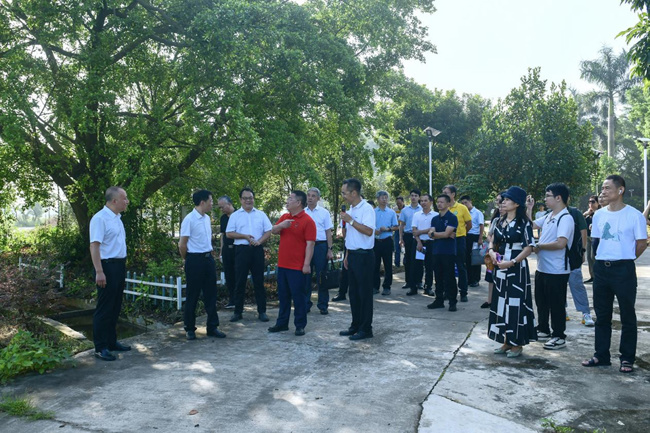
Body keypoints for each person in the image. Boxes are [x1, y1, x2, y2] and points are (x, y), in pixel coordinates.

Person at [582, 175, 648, 373]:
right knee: (602, 315)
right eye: (602, 188)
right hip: (602, 269)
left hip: (623, 270)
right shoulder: (599, 215)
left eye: (607, 188)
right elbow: (597, 241)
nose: (603, 191)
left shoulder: (634, 215)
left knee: (627, 315)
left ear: (620, 190)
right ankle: (601, 355)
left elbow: (642, 243)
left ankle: (627, 358)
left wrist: (626, 258)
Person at [487, 186, 536, 358]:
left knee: (516, 304)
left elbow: (529, 247)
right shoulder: (499, 221)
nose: (503, 202)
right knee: (501, 302)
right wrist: (491, 252)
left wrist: (513, 262)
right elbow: (492, 240)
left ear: (516, 204)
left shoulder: (524, 223)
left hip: (516, 268)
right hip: (500, 266)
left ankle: (518, 343)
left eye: (507, 199)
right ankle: (506, 340)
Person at [528, 183, 574, 350]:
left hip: (557, 270)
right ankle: (543, 329)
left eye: (548, 196)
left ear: (558, 198)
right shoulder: (549, 216)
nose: (545, 199)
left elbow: (561, 243)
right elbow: (530, 225)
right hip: (543, 268)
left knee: (556, 304)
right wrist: (529, 208)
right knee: (541, 301)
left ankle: (559, 336)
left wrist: (539, 246)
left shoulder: (565, 218)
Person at [89, 186, 131, 361]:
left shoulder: (117, 218)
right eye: (124, 198)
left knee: (115, 306)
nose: (127, 201)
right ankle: (100, 347)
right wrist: (99, 271)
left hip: (119, 265)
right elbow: (94, 246)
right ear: (114, 201)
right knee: (105, 308)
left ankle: (112, 342)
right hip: (106, 266)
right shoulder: (100, 219)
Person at [179, 190, 226, 341]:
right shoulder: (189, 219)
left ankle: (212, 327)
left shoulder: (206, 218)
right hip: (194, 259)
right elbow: (182, 244)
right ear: (202, 202)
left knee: (211, 294)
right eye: (210, 201)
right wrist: (187, 259)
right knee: (192, 295)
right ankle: (189, 328)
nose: (212, 204)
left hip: (208, 259)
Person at [268, 191, 316, 336]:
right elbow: (273, 231)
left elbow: (310, 244)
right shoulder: (285, 217)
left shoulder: (308, 221)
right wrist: (282, 225)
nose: (287, 201)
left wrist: (306, 264)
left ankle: (300, 325)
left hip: (297, 266)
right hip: (283, 265)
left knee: (299, 297)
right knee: (283, 296)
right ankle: (282, 323)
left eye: (290, 198)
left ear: (299, 203)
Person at [226, 188, 272, 323]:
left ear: (253, 199)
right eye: (245, 198)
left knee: (259, 281)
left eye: (250, 198)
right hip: (241, 250)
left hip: (257, 250)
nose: (248, 200)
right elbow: (229, 233)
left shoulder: (261, 214)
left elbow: (268, 231)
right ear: (240, 200)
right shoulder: (235, 215)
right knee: (239, 281)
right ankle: (238, 312)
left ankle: (262, 311)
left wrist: (259, 241)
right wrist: (245, 236)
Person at [339, 178, 376, 341]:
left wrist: (351, 221)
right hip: (353, 255)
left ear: (354, 193)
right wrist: (347, 255)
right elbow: (351, 235)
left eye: (344, 193)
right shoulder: (351, 209)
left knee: (364, 294)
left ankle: (366, 329)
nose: (343, 196)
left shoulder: (367, 209)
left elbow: (368, 231)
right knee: (353, 293)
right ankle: (355, 325)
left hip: (364, 256)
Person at [304, 187, 334, 314]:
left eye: (313, 196)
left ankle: (323, 305)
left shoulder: (324, 212)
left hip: (320, 246)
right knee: (305, 276)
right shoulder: (302, 212)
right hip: (306, 246)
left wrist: (329, 249)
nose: (310, 198)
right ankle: (306, 304)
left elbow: (328, 232)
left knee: (322, 277)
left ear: (318, 198)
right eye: (308, 195)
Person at [565, 203, 595, 327]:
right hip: (556, 257)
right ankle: (562, 310)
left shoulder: (575, 213)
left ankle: (585, 313)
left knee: (576, 284)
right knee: (558, 285)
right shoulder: (550, 214)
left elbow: (583, 231)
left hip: (573, 256)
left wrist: (582, 250)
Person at [427, 194, 458, 311]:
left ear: (448, 204)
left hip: (448, 252)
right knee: (438, 276)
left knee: (449, 277)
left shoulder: (452, 217)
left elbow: (445, 234)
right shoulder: (435, 218)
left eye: (442, 202)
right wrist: (442, 234)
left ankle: (452, 301)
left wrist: (436, 234)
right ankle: (439, 300)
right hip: (436, 251)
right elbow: (431, 234)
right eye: (438, 202)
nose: (439, 204)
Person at [442, 185, 472, 302]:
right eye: (443, 192)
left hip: (459, 240)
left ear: (453, 194)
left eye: (446, 193)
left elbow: (469, 224)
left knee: (461, 266)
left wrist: (462, 233)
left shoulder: (462, 208)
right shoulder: (443, 208)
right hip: (446, 240)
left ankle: (463, 292)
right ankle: (447, 291)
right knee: (447, 267)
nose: (444, 194)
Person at [409, 194, 438, 296]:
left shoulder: (435, 215)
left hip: (431, 243)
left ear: (431, 202)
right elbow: (414, 230)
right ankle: (413, 287)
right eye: (421, 201)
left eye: (425, 201)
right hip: (418, 242)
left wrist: (420, 232)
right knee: (415, 266)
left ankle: (428, 287)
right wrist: (419, 242)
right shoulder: (416, 215)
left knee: (430, 266)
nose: (423, 203)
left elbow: (433, 229)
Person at [481, 192, 505, 309]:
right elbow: (489, 235)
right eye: (497, 201)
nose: (498, 204)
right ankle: (490, 300)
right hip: (493, 251)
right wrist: (492, 245)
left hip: (504, 253)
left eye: (500, 201)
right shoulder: (496, 219)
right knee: (491, 276)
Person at [373, 191, 399, 296]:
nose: (384, 199)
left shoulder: (391, 212)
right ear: (377, 199)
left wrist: (387, 229)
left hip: (387, 240)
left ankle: (387, 287)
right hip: (376, 241)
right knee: (375, 265)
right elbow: (369, 225)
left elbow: (396, 227)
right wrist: (375, 231)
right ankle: (375, 286)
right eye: (382, 198)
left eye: (386, 197)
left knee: (388, 265)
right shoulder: (373, 212)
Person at [399, 190, 422, 290]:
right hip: (408, 236)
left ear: (419, 197)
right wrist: (401, 238)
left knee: (419, 259)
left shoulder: (422, 209)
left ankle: (419, 281)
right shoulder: (405, 210)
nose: (413, 197)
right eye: (412, 195)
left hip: (420, 236)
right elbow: (401, 225)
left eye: (416, 195)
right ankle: (408, 281)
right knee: (408, 259)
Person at [460, 195, 485, 287]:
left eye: (466, 202)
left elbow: (481, 225)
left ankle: (475, 279)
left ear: (470, 202)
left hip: (475, 236)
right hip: (465, 235)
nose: (464, 205)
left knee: (475, 258)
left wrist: (480, 238)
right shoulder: (463, 212)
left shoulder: (477, 212)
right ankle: (469, 279)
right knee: (466, 258)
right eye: (462, 203)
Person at [217, 196, 236, 309]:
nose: (221, 209)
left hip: (237, 249)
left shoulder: (239, 215)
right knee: (229, 275)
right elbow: (223, 235)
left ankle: (239, 300)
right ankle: (232, 300)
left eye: (222, 207)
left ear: (229, 204)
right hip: (226, 250)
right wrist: (221, 251)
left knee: (238, 274)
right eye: (219, 208)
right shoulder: (223, 218)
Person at [583, 195, 601, 283]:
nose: (591, 204)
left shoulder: (600, 213)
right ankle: (592, 276)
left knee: (594, 257)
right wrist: (586, 214)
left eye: (593, 202)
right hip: (588, 237)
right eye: (589, 202)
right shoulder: (588, 213)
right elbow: (579, 221)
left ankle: (598, 276)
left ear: (598, 203)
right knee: (589, 258)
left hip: (596, 238)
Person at [332, 219, 349, 302]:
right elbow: (342, 230)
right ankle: (342, 293)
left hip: (364, 246)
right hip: (349, 244)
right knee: (345, 270)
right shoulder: (346, 215)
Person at [393, 196, 405, 267]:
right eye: (397, 203)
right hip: (397, 229)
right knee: (397, 247)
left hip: (405, 230)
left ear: (403, 202)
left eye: (400, 203)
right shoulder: (394, 210)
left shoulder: (406, 209)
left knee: (406, 247)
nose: (399, 205)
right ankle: (397, 264)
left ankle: (405, 262)